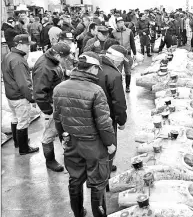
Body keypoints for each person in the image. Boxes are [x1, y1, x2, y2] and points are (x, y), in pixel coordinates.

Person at [53, 51, 116, 217]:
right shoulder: (96, 91)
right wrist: (109, 143)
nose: (98, 72)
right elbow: (103, 122)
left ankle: (78, 213)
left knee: (74, 179)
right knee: (97, 183)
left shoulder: (59, 88)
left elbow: (57, 118)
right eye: (97, 69)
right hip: (93, 144)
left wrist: (63, 139)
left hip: (72, 141)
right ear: (92, 68)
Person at [32, 43, 72, 172]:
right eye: (64, 58)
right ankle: (50, 161)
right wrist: (48, 111)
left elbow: (56, 75)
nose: (65, 60)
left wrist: (66, 73)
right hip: (50, 105)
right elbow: (39, 93)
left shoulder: (52, 60)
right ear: (57, 55)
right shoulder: (45, 67)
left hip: (57, 102)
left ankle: (68, 154)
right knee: (49, 133)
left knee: (61, 129)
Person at [1, 34, 39, 154]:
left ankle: (18, 142)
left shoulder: (9, 56)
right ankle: (24, 148)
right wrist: (32, 98)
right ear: (19, 45)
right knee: (23, 122)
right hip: (19, 96)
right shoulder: (18, 60)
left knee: (15, 118)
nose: (29, 48)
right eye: (27, 45)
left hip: (10, 94)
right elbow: (24, 84)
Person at [97, 45, 128, 177]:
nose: (121, 64)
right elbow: (118, 102)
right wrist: (121, 120)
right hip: (107, 116)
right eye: (121, 61)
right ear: (116, 60)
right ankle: (105, 177)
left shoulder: (95, 66)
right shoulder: (114, 75)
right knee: (110, 146)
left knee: (96, 144)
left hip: (90, 114)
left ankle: (96, 173)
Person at [112, 17, 137, 93]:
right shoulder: (113, 33)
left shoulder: (129, 32)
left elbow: (132, 43)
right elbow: (111, 43)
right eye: (119, 22)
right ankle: (119, 86)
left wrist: (135, 53)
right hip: (117, 55)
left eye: (122, 22)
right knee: (118, 71)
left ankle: (127, 86)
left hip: (127, 54)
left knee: (128, 71)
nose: (121, 24)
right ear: (116, 24)